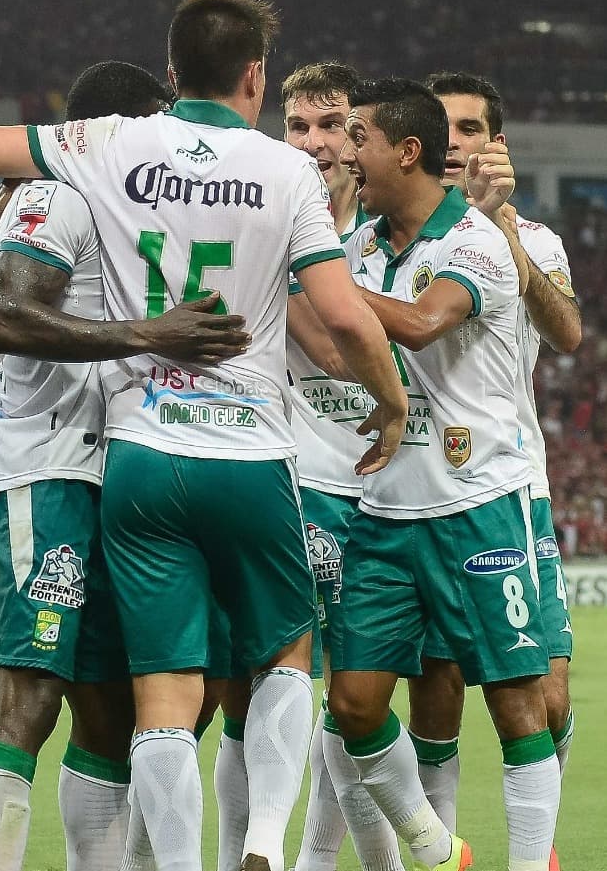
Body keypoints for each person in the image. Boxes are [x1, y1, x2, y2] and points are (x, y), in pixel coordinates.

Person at [0, 0, 408, 871]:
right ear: (254, 75)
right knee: (65, 695)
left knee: (131, 707)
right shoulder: (254, 171)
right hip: (131, 458)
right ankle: (268, 846)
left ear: (175, 74)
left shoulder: (112, 163)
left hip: (129, 461)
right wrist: (388, 401)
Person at [0, 59, 238, 871]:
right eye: (157, 123)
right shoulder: (61, 190)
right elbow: (0, 312)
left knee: (112, 713)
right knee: (28, 701)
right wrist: (148, 334)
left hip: (106, 476)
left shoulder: (88, 197)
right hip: (36, 467)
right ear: (122, 127)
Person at [329, 77, 558, 871]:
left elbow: (423, 327)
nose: (347, 154)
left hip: (478, 503)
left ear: (406, 150)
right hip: (386, 509)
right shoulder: (360, 246)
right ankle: (435, 847)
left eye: (357, 138)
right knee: (352, 704)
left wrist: (318, 281)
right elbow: (366, 351)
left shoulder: (476, 242)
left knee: (515, 701)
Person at [400, 70, 581, 867]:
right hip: (414, 487)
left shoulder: (534, 239)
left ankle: (534, 851)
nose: (453, 145)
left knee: (545, 695)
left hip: (513, 488)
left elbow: (567, 332)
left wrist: (498, 225)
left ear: (492, 144)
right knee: (432, 692)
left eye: (469, 130)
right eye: (441, 130)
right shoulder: (391, 235)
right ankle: (441, 853)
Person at [278, 62, 404, 871]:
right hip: (297, 485)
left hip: (393, 494)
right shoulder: (265, 219)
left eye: (330, 125)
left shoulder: (393, 239)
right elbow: (332, 341)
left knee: (354, 705)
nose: (314, 143)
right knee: (286, 693)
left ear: (361, 137)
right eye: (297, 127)